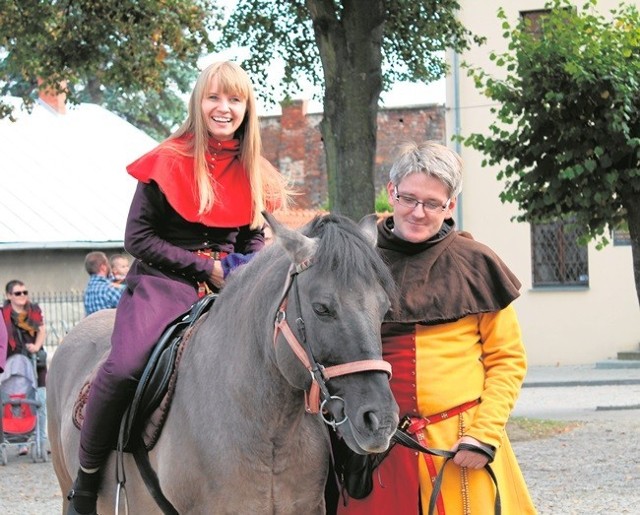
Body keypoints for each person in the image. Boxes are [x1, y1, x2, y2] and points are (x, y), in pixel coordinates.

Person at [66, 60, 290, 515]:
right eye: (214, 97)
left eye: (234, 99)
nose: (223, 108)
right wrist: (203, 268)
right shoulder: (167, 160)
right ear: (198, 102)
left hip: (231, 283)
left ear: (246, 108)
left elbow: (251, 238)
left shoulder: (255, 170)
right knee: (126, 365)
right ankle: (87, 481)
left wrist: (240, 267)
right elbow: (138, 239)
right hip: (162, 284)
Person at [331, 141, 535, 514]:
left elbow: (507, 360)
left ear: (450, 205)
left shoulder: (476, 263)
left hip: (460, 447)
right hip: (376, 447)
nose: (418, 212)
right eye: (409, 199)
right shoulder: (356, 263)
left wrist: (484, 434)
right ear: (391, 192)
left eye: (433, 204)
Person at [1, 280, 48, 455]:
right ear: (9, 296)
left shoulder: (33, 310)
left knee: (41, 401)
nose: (22, 296)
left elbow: (42, 329)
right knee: (13, 403)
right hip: (11, 363)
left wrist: (36, 346)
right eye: (18, 293)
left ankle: (40, 439)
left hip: (34, 360)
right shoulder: (3, 314)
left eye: (24, 292)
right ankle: (19, 441)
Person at [83, 251, 124, 316]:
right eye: (107, 264)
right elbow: (131, 308)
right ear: (103, 267)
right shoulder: (110, 289)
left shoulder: (87, 292)